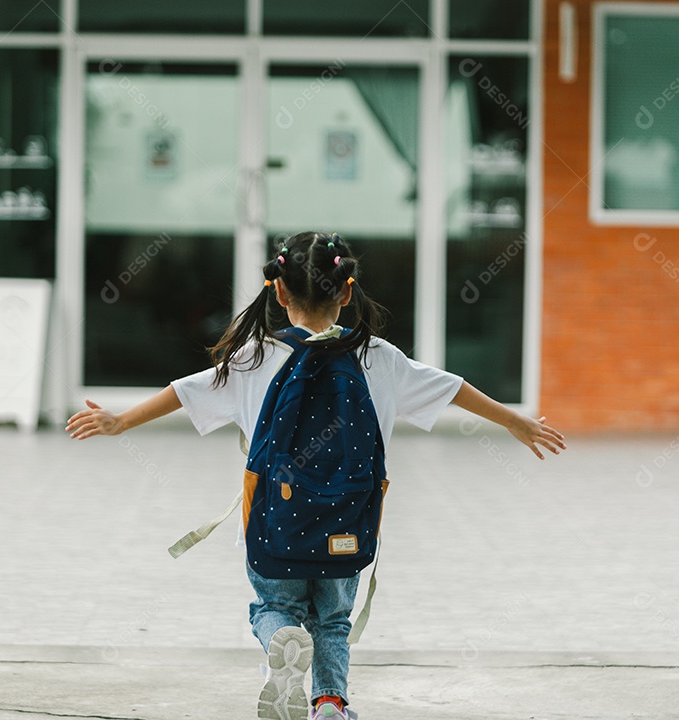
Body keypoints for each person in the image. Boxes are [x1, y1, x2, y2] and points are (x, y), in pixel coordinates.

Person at [66, 231, 565, 720]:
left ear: (278, 292)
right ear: (348, 292)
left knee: (271, 608)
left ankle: (281, 642)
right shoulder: (377, 357)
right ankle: (330, 703)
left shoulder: (254, 358)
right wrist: (515, 421)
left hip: (273, 525)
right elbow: (454, 388)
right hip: (345, 527)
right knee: (332, 621)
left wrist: (120, 421)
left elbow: (184, 392)